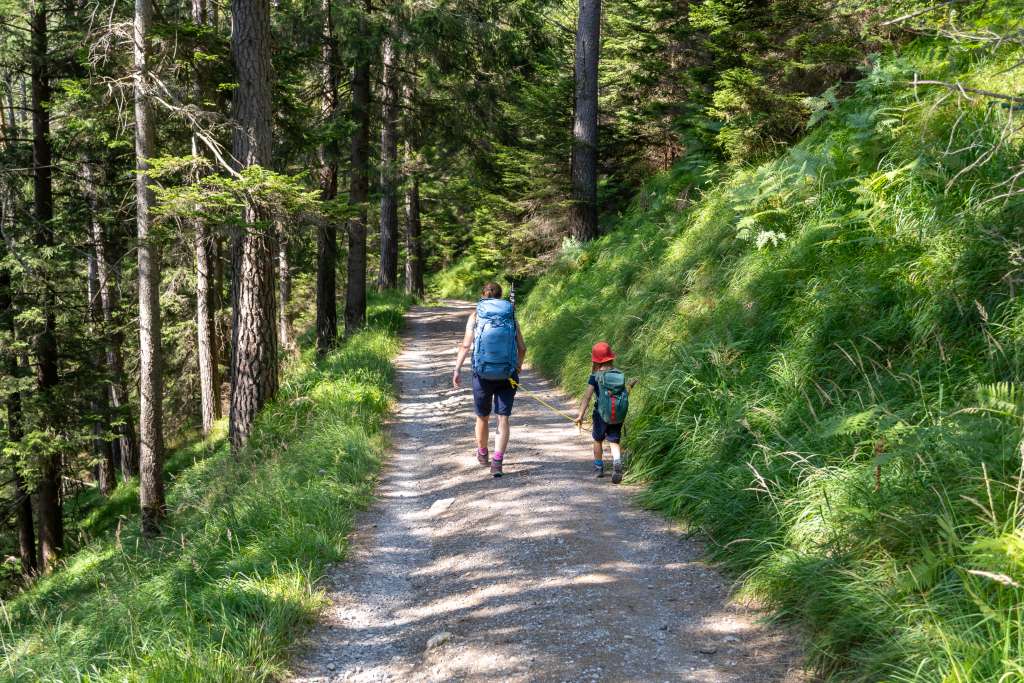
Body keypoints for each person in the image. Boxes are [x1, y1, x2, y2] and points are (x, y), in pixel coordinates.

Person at [452, 282, 527, 477]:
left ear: (483, 296)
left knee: (482, 416)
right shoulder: (510, 316)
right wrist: (517, 366)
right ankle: (498, 462)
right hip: (507, 373)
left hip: (482, 374)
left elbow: (466, 345)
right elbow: (522, 348)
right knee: (503, 418)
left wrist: (457, 369)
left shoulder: (476, 316)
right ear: (501, 296)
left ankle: (483, 453)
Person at [574, 342, 637, 484]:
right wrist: (630, 387)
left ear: (595, 360)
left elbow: (587, 397)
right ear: (611, 358)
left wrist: (580, 415)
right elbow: (624, 394)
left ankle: (598, 468)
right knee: (614, 440)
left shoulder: (595, 376)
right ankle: (617, 462)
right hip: (617, 415)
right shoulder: (619, 376)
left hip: (600, 414)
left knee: (598, 440)